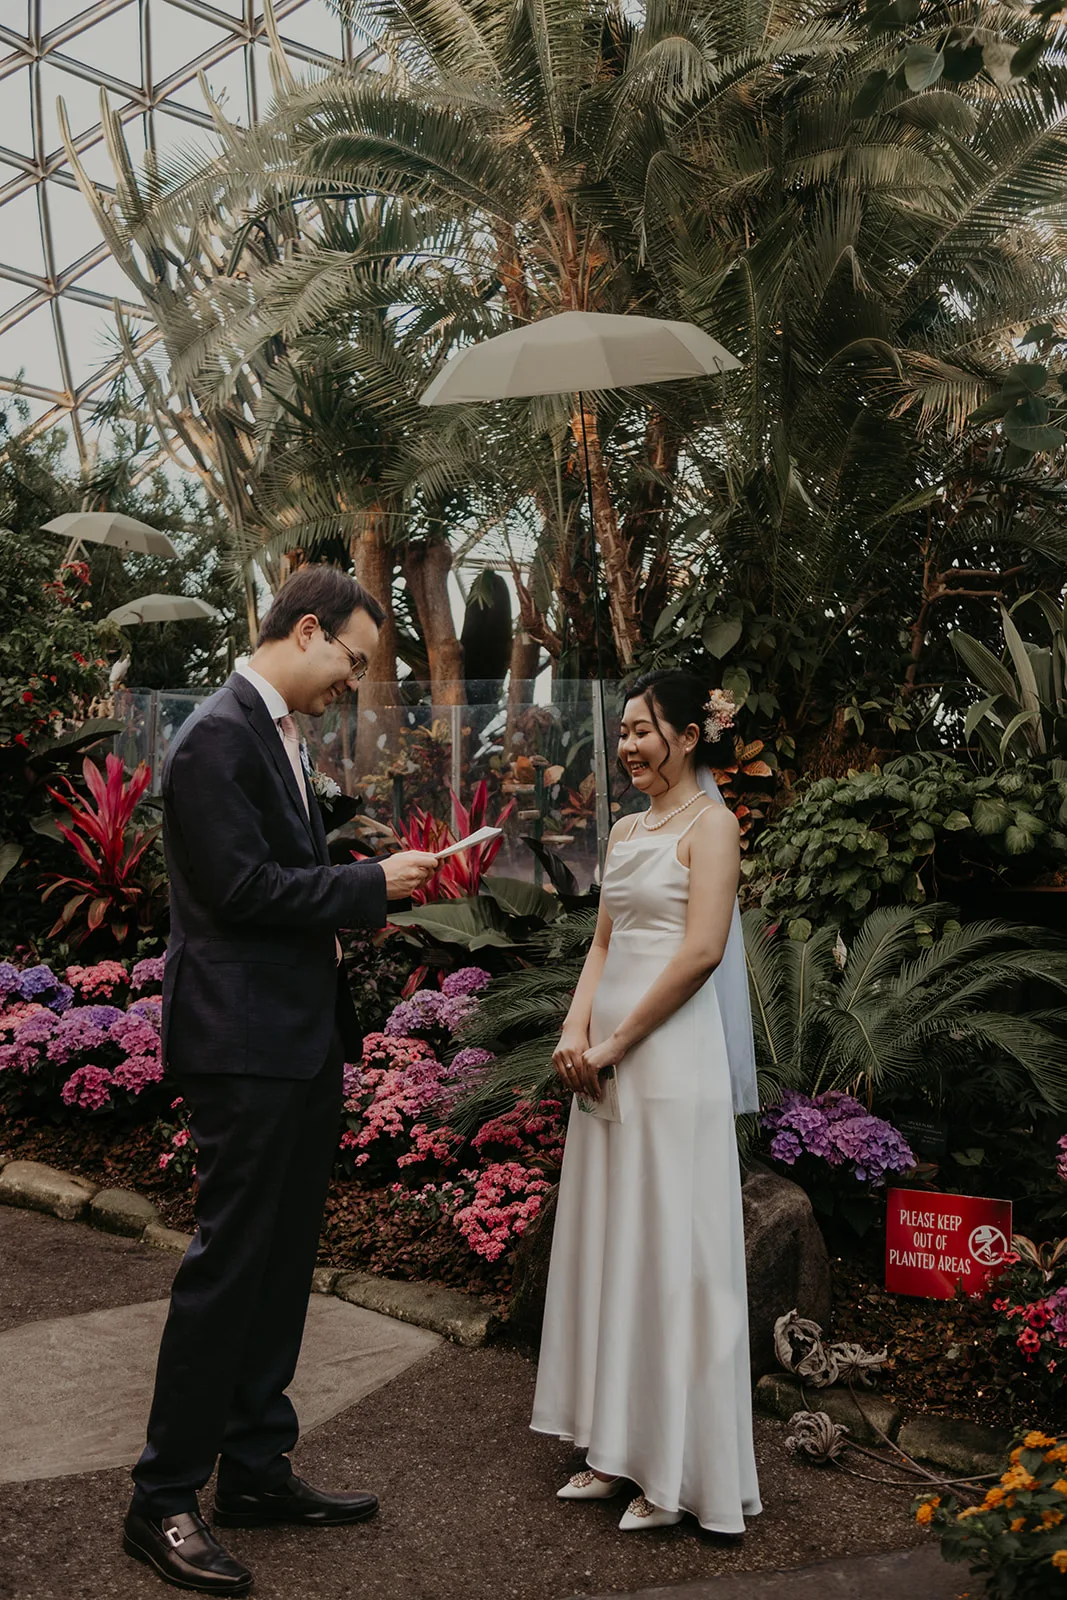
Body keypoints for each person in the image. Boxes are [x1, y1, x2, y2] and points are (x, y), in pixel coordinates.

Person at [124, 566, 440, 1595]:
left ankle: (253, 1469)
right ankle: (161, 1498)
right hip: (242, 1042)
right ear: (306, 630)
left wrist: (348, 855)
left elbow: (269, 864)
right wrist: (364, 885)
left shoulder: (274, 733)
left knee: (278, 1264)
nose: (351, 680)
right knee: (228, 1270)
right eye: (350, 658)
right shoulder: (217, 734)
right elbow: (238, 887)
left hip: (293, 1040)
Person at [531, 668, 762, 1534]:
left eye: (641, 729)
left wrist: (618, 1046)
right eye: (622, 731)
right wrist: (573, 1030)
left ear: (690, 735)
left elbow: (701, 952)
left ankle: (674, 1474)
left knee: (672, 1253)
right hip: (599, 1062)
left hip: (668, 1066)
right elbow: (603, 944)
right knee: (610, 1244)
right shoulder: (627, 828)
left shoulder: (716, 828)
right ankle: (610, 1447)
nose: (626, 745)